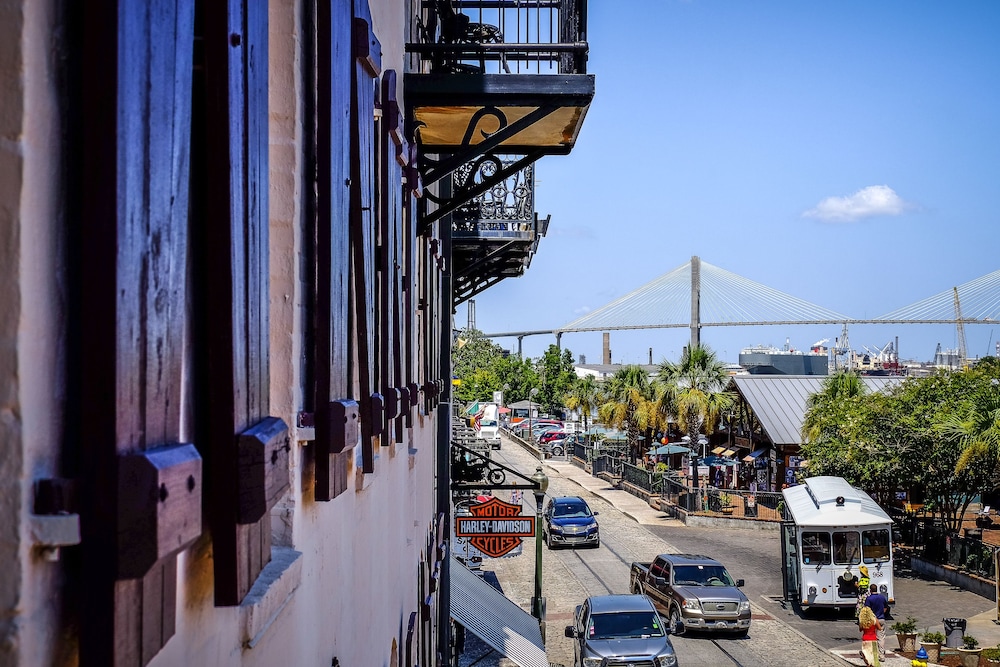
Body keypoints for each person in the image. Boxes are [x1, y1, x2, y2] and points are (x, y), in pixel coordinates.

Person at [864, 582, 888, 661]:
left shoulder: (869, 599)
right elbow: (886, 607)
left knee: (871, 637)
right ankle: (881, 655)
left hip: (873, 620)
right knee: (881, 638)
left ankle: (871, 654)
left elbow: (867, 610)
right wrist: (882, 613)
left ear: (870, 590)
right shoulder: (882, 597)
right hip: (881, 619)